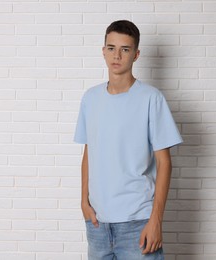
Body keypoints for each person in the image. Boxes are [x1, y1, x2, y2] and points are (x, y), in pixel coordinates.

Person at [74, 20, 183, 260]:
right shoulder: (90, 99)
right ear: (103, 51)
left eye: (125, 49)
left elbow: (165, 163)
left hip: (138, 223)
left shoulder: (151, 99)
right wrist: (84, 202)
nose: (117, 55)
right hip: (97, 225)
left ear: (136, 55)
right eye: (111, 48)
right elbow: (88, 151)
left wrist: (156, 220)